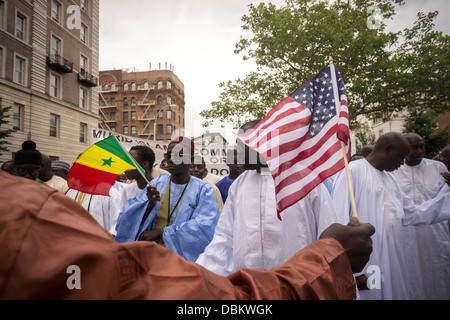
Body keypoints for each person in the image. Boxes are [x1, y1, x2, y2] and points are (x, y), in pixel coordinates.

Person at [0, 169, 375, 300]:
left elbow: (205, 226)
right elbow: (224, 239)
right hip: (238, 283)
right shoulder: (242, 183)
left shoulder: (304, 182)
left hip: (278, 280)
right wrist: (213, 277)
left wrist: (167, 235)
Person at [196, 120, 340, 276]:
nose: (238, 152)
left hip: (298, 285)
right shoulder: (238, 186)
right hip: (249, 285)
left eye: (244, 144)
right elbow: (225, 237)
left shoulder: (306, 180)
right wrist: (200, 273)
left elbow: (328, 233)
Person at [332, 132, 450, 300]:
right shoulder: (352, 172)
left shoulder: (391, 179)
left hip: (393, 257)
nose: (402, 163)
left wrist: (447, 193)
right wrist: (354, 271)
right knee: (371, 295)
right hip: (367, 263)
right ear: (387, 149)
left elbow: (413, 214)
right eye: (401, 157)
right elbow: (338, 220)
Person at [115, 136, 220, 262]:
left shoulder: (203, 190)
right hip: (151, 257)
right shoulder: (157, 183)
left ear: (190, 160)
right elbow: (127, 217)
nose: (170, 160)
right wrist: (149, 205)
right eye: (169, 155)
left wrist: (162, 232)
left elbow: (204, 226)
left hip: (183, 261)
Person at [392, 133, 449, 299]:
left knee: (438, 277)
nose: (419, 151)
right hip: (405, 235)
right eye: (413, 147)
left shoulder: (438, 169)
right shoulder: (393, 171)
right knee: (409, 276)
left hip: (435, 235)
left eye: (421, 146)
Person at [110, 145, 169, 234]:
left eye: (130, 162)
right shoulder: (128, 190)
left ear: (144, 164)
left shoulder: (162, 188)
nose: (126, 167)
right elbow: (120, 218)